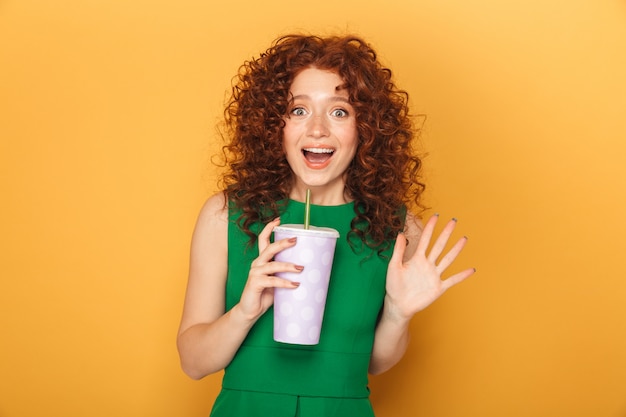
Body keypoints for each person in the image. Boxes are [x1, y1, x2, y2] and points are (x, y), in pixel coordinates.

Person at [177, 34, 475, 417]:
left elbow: (376, 364)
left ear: (365, 127)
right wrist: (245, 311)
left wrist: (399, 314)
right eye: (298, 111)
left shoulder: (399, 230)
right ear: (274, 125)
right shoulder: (226, 214)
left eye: (339, 112)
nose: (317, 129)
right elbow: (193, 362)